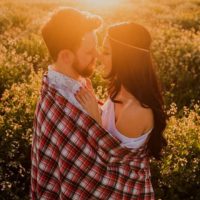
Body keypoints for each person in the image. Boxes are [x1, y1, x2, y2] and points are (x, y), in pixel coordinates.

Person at [31, 7, 159, 199]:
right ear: (66, 56)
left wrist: (95, 119)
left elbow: (103, 168)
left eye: (104, 51)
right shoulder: (57, 95)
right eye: (91, 51)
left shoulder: (67, 84)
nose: (97, 56)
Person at [75, 21, 167, 192]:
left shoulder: (136, 110)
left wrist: (94, 115)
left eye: (107, 52)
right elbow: (110, 128)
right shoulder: (119, 89)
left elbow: (109, 158)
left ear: (126, 59)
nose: (99, 56)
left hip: (122, 189)